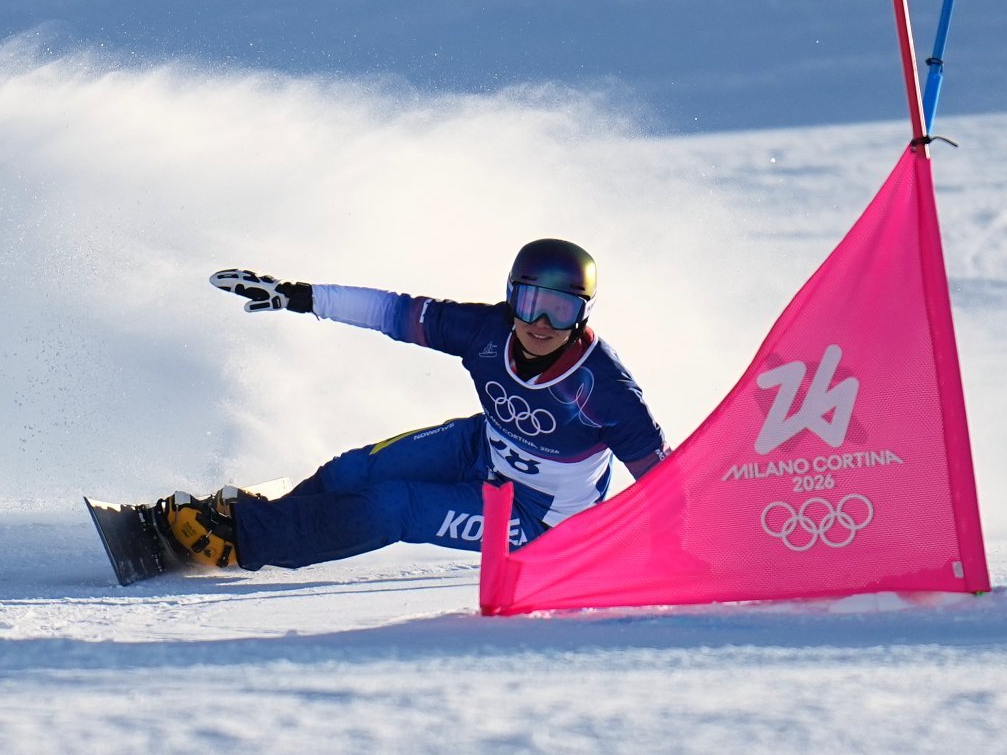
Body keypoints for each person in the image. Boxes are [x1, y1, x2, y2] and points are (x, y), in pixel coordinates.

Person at [159, 239, 670, 570]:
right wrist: (300, 295)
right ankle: (272, 519)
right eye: (533, 303)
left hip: (534, 520)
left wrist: (694, 549)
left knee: (394, 506)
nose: (542, 325)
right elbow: (392, 311)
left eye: (563, 311)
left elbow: (668, 482)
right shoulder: (485, 330)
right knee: (353, 472)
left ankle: (248, 542)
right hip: (482, 445)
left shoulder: (606, 390)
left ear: (583, 316)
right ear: (512, 297)